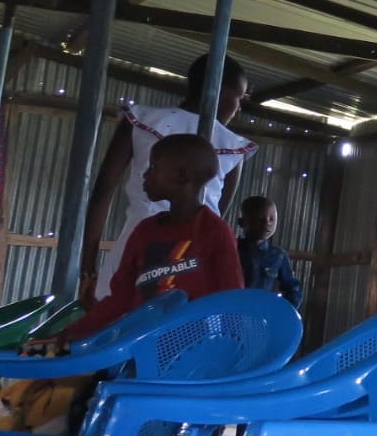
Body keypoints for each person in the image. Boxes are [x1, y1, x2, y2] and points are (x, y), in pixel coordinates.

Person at [0, 134, 244, 430]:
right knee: (29, 358)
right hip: (130, 348)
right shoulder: (145, 231)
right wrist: (68, 335)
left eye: (153, 168)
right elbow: (119, 300)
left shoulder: (214, 232)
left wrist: (225, 361)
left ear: (182, 176)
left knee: (99, 403)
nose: (144, 175)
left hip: (185, 356)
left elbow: (231, 302)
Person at [78, 54, 251, 307]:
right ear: (221, 91)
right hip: (193, 258)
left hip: (133, 249)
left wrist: (88, 268)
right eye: (239, 97)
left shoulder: (143, 121)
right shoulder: (232, 146)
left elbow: (103, 191)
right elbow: (216, 213)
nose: (239, 108)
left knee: (115, 326)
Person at [236, 196, 303, 308]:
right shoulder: (232, 249)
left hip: (261, 314)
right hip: (231, 311)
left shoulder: (278, 255)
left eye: (272, 219)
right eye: (260, 219)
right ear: (242, 222)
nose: (267, 223)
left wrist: (282, 311)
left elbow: (293, 287)